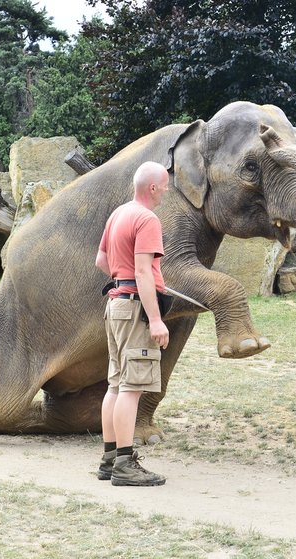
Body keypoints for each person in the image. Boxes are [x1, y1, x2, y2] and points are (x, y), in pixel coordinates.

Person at [94, 161, 171, 486]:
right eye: (165, 184)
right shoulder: (147, 218)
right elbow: (142, 272)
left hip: (116, 306)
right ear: (152, 187)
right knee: (132, 387)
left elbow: (101, 261)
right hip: (135, 309)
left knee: (116, 384)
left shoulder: (119, 214)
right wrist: (155, 320)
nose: (167, 190)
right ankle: (126, 465)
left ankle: (110, 459)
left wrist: (120, 279)